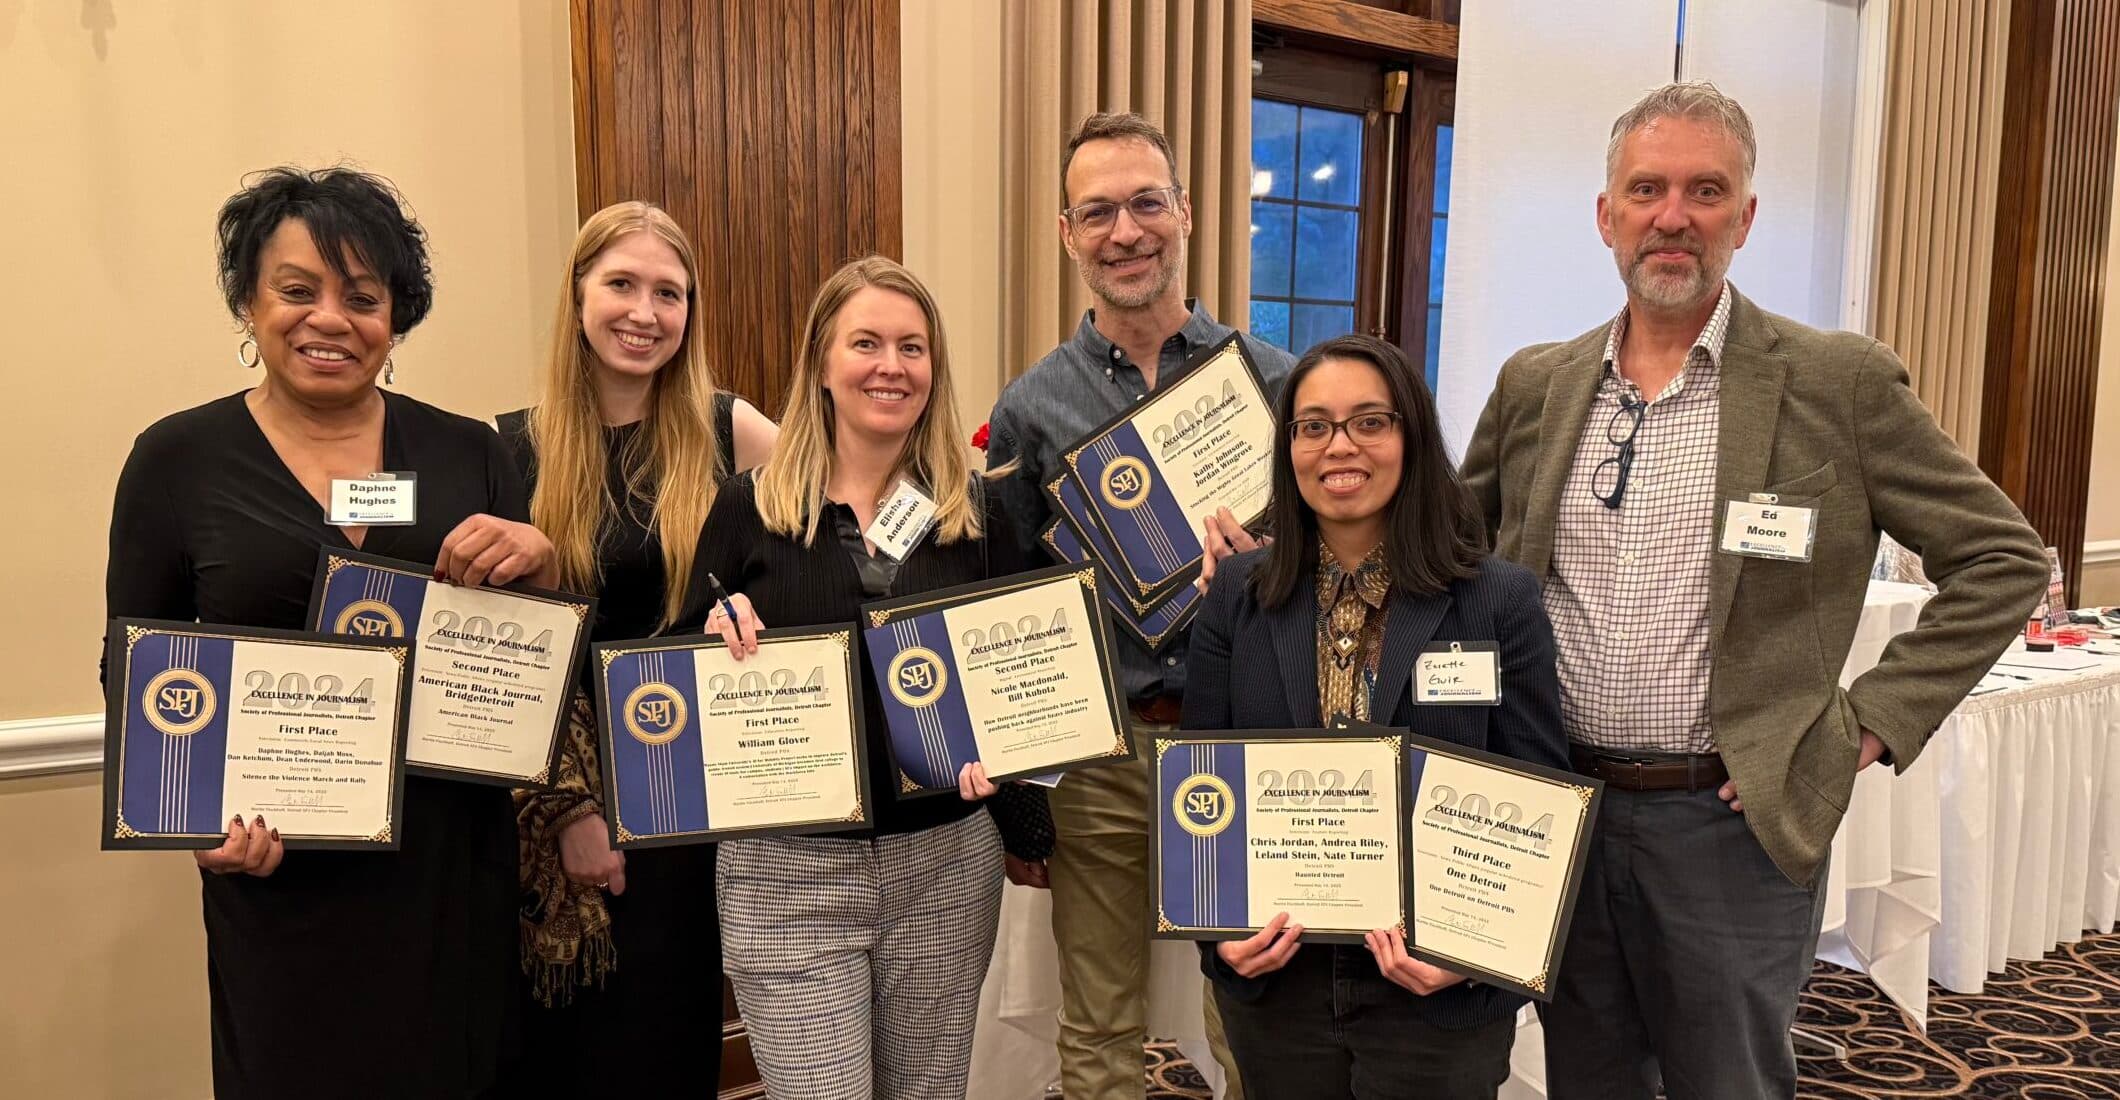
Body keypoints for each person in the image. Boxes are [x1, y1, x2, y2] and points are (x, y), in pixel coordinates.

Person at [1460, 82, 2049, 1099]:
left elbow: (2001, 557)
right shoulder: (1536, 383)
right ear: (1605, 213)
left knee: (1726, 1081)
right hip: (1560, 804)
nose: (1671, 215)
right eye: (1645, 188)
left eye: (1704, 189)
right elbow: (1450, 551)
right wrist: (1280, 540)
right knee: (1585, 1077)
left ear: (1743, 216)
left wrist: (1863, 725)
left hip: (1726, 825)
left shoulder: (1836, 383)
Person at [103, 166, 557, 1099]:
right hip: (280, 872)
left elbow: (532, 659)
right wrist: (193, 819)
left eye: (363, 296)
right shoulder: (174, 461)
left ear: (396, 318)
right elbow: (134, 665)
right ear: (247, 301)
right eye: (297, 289)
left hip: (448, 869)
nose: (330, 319)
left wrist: (543, 568)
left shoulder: (467, 450)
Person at [983, 110, 1296, 1100]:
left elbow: (1336, 572)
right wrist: (1021, 796)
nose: (1126, 230)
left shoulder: (1275, 382)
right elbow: (1011, 602)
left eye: (1145, 203)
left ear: (1186, 213)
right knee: (1100, 1031)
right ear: (1067, 233)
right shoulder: (1031, 406)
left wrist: (1265, 569)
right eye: (1098, 211)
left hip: (1240, 743)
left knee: (1250, 1019)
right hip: (1103, 754)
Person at [696, 255, 1052, 1099]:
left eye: (913, 347)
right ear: (822, 361)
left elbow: (1020, 681)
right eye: (866, 343)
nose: (891, 366)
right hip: (785, 874)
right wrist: (713, 634)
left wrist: (1027, 824)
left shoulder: (979, 510)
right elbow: (676, 671)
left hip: (943, 864)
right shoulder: (746, 508)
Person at [1185, 334, 1566, 1098]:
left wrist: (1475, 952)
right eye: (1314, 425)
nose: (1339, 447)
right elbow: (1200, 783)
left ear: (1410, 437)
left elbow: (1541, 791)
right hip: (1282, 982)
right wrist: (1221, 937)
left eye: (1369, 422)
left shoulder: (1499, 600)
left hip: (1435, 986)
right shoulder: (1238, 595)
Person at [485, 200, 776, 1094]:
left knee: (670, 1041)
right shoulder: (509, 449)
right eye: (621, 285)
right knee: (568, 1059)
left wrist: (759, 613)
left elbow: (836, 550)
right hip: (556, 807)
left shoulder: (733, 432)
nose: (644, 313)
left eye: (669, 293)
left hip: (690, 808)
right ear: (578, 297)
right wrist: (570, 811)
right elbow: (497, 657)